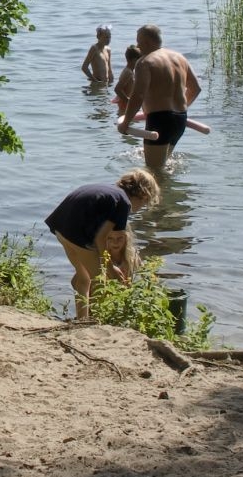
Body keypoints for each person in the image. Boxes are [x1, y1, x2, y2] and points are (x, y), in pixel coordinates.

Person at [46, 169, 159, 321]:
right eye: (145, 204)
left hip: (60, 227)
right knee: (100, 279)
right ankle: (99, 320)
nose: (140, 208)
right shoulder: (124, 203)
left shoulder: (110, 191)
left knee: (84, 278)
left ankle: (82, 320)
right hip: (76, 233)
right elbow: (101, 238)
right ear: (144, 195)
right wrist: (110, 266)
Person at [115, 24, 201, 172]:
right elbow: (196, 88)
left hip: (159, 120)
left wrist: (125, 123)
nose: (137, 46)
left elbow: (138, 96)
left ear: (147, 42)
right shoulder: (180, 58)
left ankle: (159, 194)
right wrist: (180, 110)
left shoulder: (145, 62)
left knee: (154, 172)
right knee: (164, 166)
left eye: (139, 42)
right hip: (180, 119)